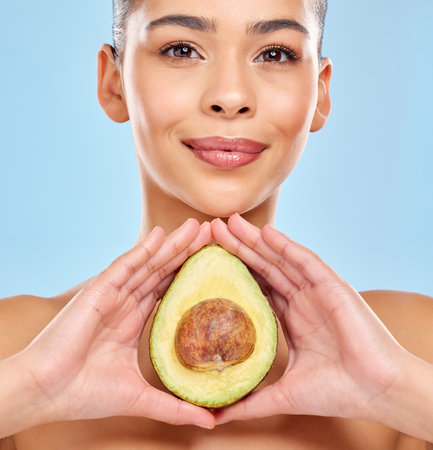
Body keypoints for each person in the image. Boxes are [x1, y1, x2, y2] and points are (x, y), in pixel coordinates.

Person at [0, 0, 432, 448]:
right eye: (182, 50)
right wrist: (31, 390)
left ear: (320, 94)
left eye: (275, 53)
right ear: (114, 83)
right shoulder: (14, 351)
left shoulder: (416, 350)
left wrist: (394, 391)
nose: (230, 97)